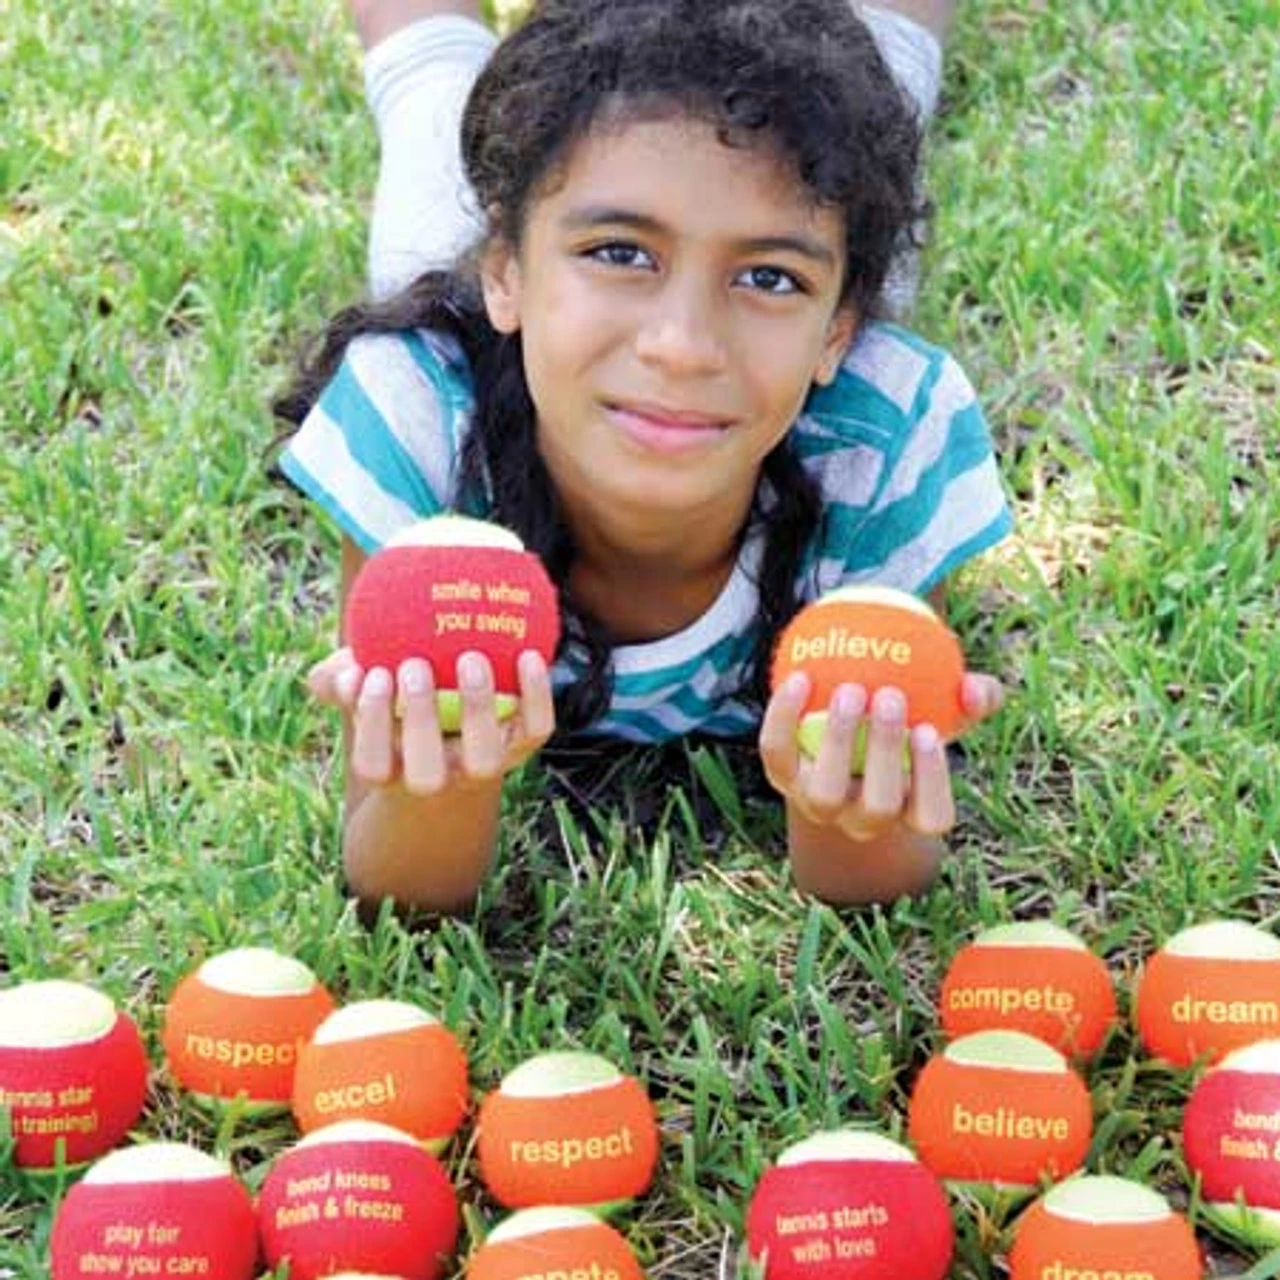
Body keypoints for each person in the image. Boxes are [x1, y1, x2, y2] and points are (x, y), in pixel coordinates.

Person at [277, 0, 1012, 916]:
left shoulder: (884, 439)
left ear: (839, 332)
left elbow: (872, 891)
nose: (682, 346)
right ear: (504, 271)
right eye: (619, 252)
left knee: (871, 94)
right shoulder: (418, 415)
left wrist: (848, 811)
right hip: (493, 335)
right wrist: (444, 785)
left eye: (769, 277)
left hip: (801, 350)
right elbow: (400, 891)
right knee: (435, 110)